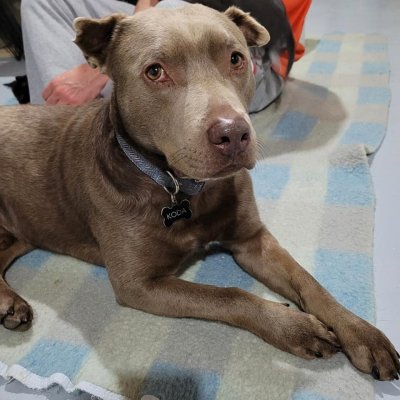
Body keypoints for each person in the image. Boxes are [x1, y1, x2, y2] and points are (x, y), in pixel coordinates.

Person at [21, 0, 311, 112]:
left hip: (255, 55)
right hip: (172, 33)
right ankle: (55, 133)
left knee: (174, 13)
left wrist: (97, 70)